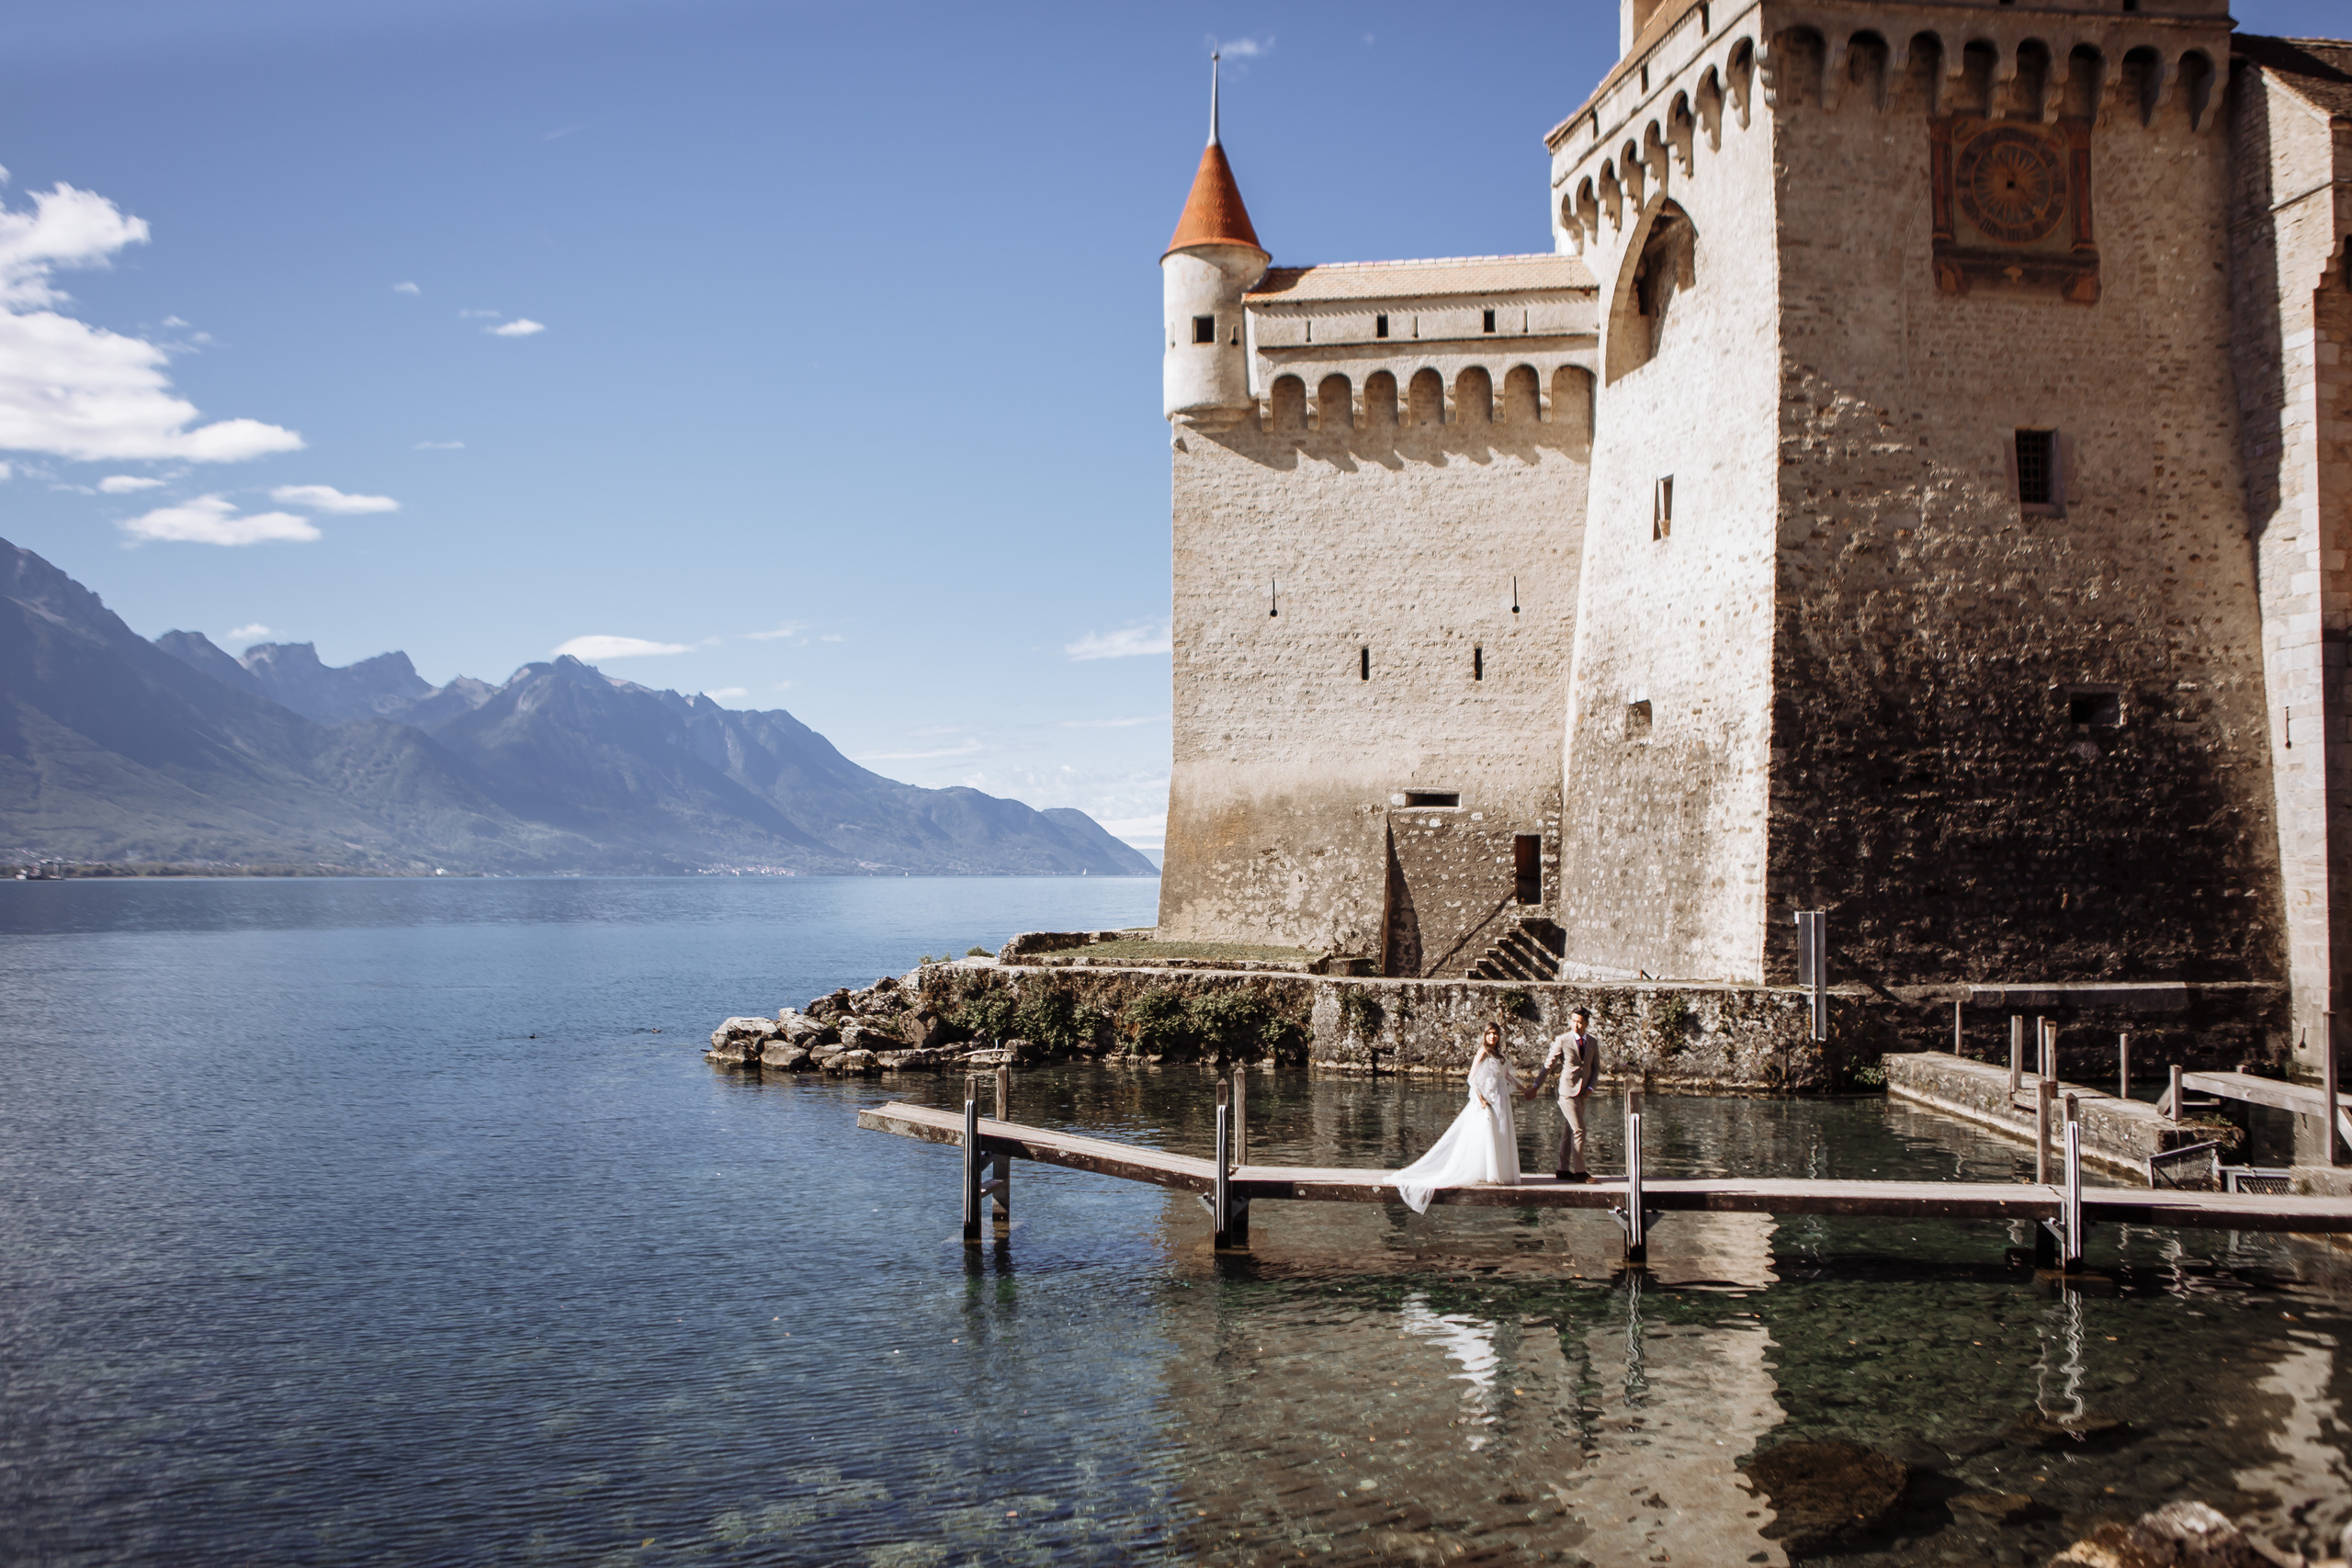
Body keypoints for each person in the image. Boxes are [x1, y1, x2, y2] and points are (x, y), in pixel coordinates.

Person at [1392, 1021, 1521, 1213]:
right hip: (1489, 1099)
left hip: (1502, 1100)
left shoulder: (1499, 1056)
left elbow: (1507, 1077)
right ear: (1485, 1036)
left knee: (1502, 1133)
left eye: (1495, 1034)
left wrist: (1525, 1089)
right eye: (1490, 1034)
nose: (1492, 1037)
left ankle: (1502, 1172)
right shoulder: (1483, 1052)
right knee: (1489, 1134)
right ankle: (1492, 1173)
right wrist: (1481, 1099)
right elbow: (1472, 1078)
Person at [1524, 1007, 1600, 1182]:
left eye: (1580, 1022)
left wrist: (1591, 1088)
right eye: (1574, 1020)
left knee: (1569, 1130)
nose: (1576, 1025)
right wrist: (1536, 1086)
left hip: (1583, 1092)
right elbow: (1549, 1064)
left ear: (1586, 1023)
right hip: (1567, 1092)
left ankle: (1562, 1169)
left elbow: (1595, 1067)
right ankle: (1580, 1172)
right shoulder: (1563, 1040)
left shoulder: (1593, 1041)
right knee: (1579, 1130)